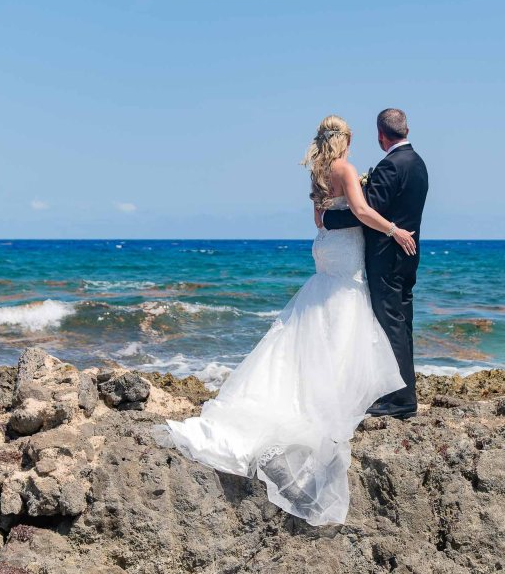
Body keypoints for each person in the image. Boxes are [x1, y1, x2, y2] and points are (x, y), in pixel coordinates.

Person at [153, 114, 416, 526]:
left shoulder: (319, 171)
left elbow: (319, 220)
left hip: (325, 248)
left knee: (319, 313)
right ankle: (331, 394)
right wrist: (394, 230)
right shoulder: (345, 169)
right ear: (345, 141)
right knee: (341, 316)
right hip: (346, 252)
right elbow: (362, 211)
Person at [322, 108, 429, 419]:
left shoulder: (390, 166)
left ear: (381, 135)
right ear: (406, 129)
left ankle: (401, 399)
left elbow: (366, 211)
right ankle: (402, 392)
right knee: (402, 323)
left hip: (386, 257)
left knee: (391, 324)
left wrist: (328, 218)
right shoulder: (418, 163)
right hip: (408, 256)